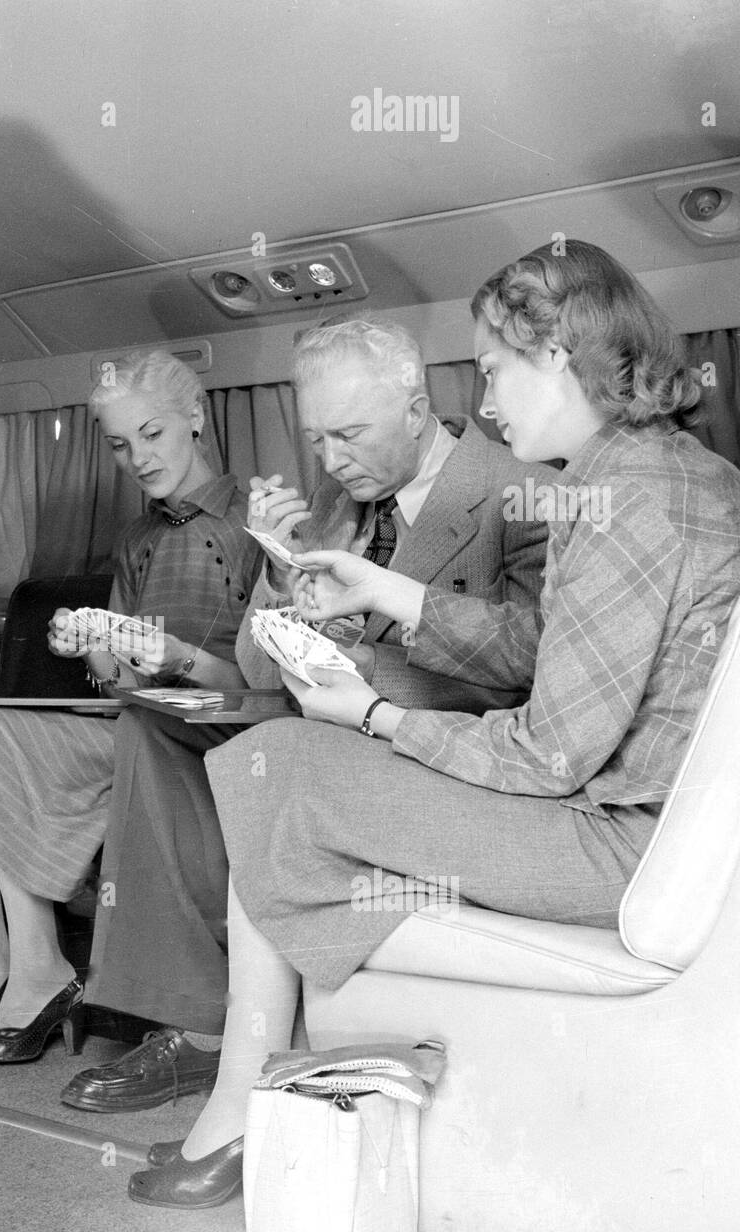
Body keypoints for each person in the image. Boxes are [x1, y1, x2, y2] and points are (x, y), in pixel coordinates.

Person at [129, 240, 740, 1208]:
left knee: (272, 768)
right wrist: (391, 592)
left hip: (618, 844)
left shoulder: (625, 498)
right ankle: (256, 1091)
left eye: (498, 370)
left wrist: (378, 715)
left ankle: (240, 1107)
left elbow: (549, 751)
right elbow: (548, 643)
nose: (491, 402)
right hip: (632, 819)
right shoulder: (667, 472)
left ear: (558, 354)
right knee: (279, 764)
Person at [62, 316, 552, 1115]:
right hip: (315, 723)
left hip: (425, 746)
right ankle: (188, 1018)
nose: (330, 460)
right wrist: (275, 571)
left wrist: (368, 665)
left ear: (419, 408)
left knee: (257, 751)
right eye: (316, 438)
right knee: (156, 730)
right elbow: (261, 667)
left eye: (349, 435)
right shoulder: (337, 496)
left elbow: (533, 663)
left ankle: (218, 1046)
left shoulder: (515, 490)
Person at [0, 350, 260, 1063]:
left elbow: (257, 679)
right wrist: (94, 643)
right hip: (130, 720)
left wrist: (168, 655)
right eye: (121, 445)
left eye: (151, 434)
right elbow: (117, 677)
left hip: (207, 731)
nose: (137, 458)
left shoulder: (256, 522)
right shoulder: (136, 539)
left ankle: (36, 972)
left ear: (196, 418)